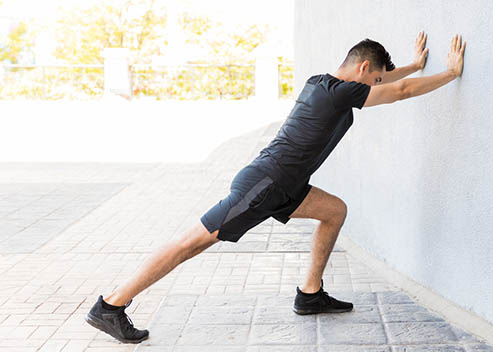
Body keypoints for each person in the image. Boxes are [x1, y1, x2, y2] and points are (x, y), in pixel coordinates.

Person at [85, 31, 466, 344]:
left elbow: (388, 84)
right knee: (191, 243)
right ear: (364, 68)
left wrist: (414, 66)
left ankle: (310, 294)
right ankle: (112, 305)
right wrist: (449, 74)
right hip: (264, 184)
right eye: (375, 78)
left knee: (334, 211)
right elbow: (397, 93)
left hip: (285, 185)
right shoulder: (341, 92)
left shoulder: (321, 83)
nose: (376, 87)